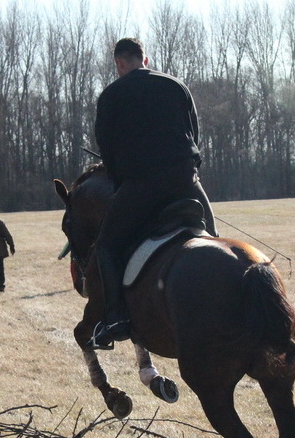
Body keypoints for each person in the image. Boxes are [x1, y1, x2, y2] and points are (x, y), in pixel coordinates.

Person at [90, 37, 217, 349]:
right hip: (185, 180)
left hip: (140, 186)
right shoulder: (176, 85)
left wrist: (120, 184)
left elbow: (107, 148)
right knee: (215, 240)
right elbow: (194, 134)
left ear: (120, 64)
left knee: (106, 246)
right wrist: (191, 173)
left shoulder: (111, 94)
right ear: (145, 60)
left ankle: (115, 318)